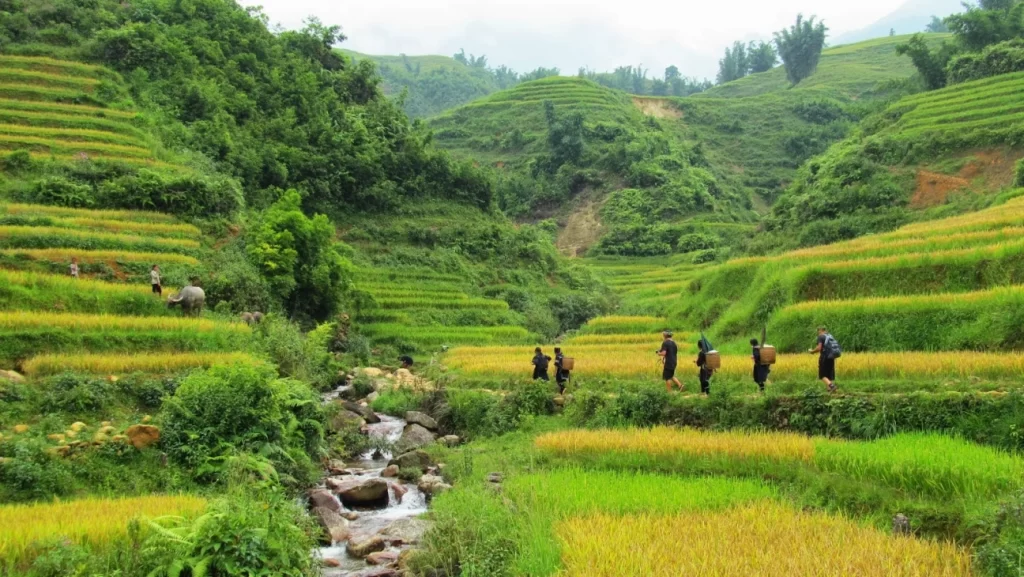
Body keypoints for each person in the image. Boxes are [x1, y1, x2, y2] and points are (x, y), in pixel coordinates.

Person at [809, 326, 837, 393]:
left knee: (822, 375)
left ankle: (832, 386)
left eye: (818, 331)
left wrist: (812, 351)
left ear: (820, 330)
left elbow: (819, 348)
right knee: (828, 374)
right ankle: (829, 390)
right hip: (831, 357)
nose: (818, 333)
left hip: (824, 357)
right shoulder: (830, 337)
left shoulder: (821, 337)